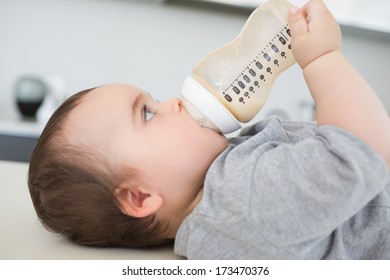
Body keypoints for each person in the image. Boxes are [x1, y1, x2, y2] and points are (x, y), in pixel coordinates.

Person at [28, 0, 390, 259]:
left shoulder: (217, 203)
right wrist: (323, 60)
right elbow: (360, 153)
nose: (173, 103)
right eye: (148, 114)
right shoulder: (241, 200)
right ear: (139, 197)